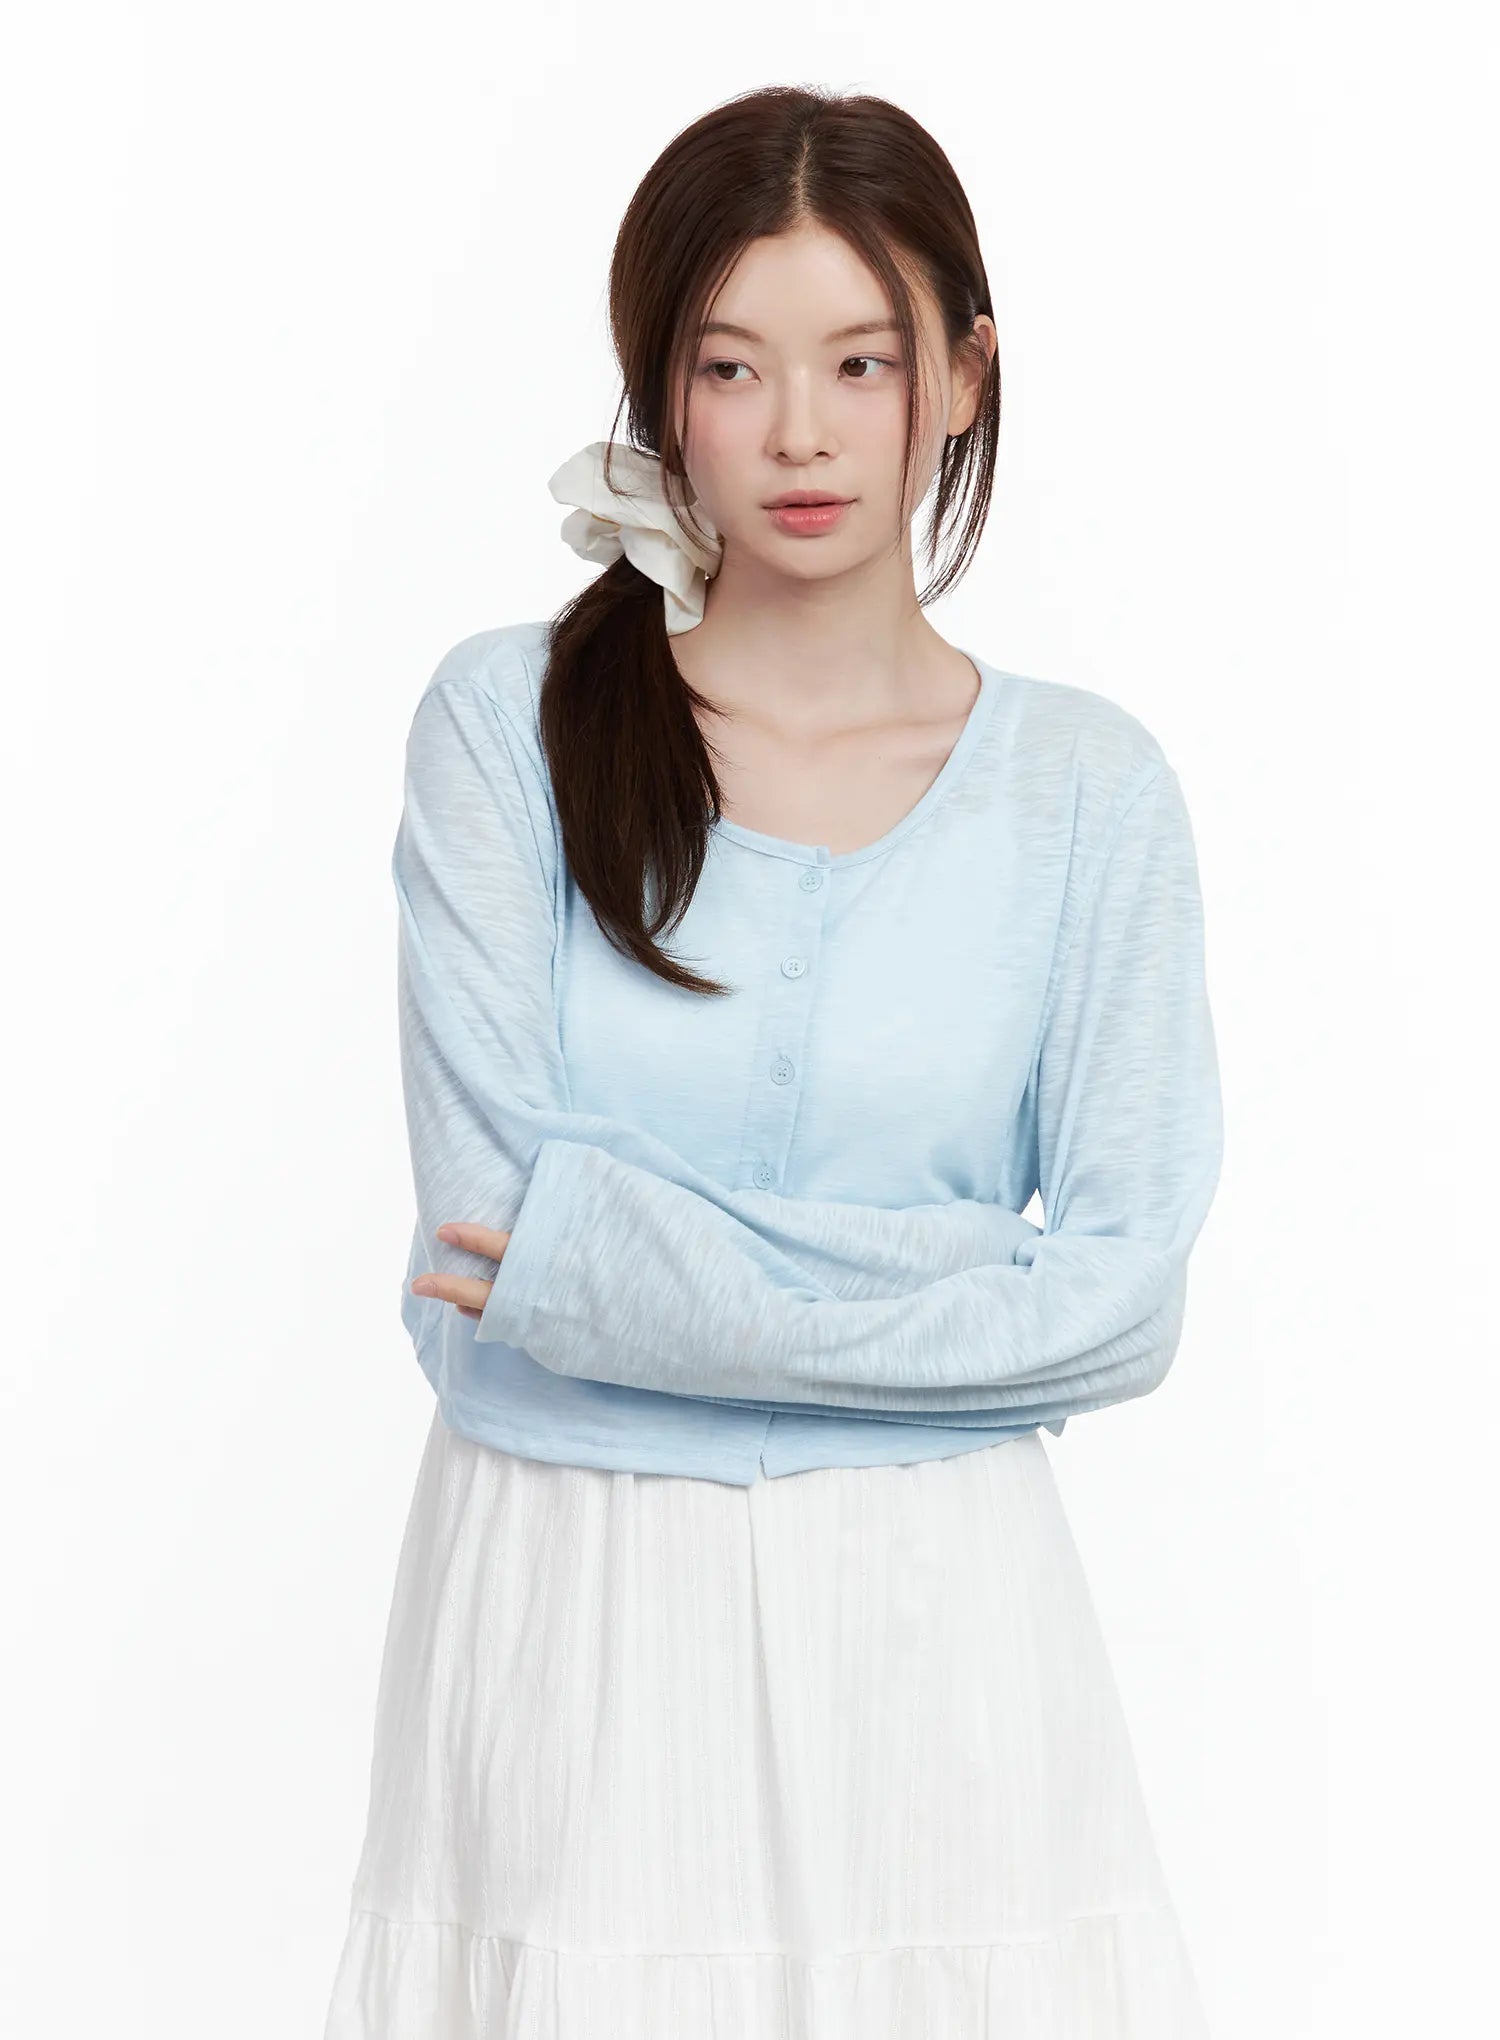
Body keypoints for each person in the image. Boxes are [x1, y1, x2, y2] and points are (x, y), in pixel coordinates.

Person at [322, 82, 1224, 2039]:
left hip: (939, 1626)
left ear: (960, 376)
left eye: (860, 361)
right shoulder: (504, 733)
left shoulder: (1089, 793)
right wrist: (962, 1265)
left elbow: (1126, 1300)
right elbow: (493, 1232)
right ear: (664, 395)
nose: (800, 432)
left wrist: (617, 1268)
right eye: (733, 366)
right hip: (571, 1604)